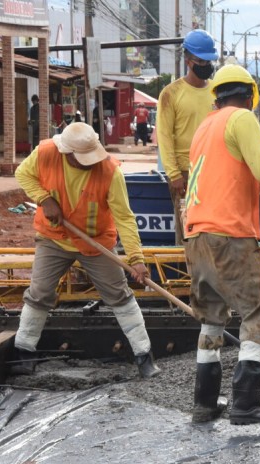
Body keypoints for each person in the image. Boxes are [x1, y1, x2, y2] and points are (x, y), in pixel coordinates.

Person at [183, 65, 260, 424]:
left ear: (215, 95)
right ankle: (246, 403)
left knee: (212, 318)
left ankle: (205, 403)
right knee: (258, 309)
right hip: (229, 234)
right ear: (250, 95)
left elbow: (237, 179)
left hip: (197, 234)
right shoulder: (242, 118)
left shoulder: (206, 126)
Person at [12, 122, 161, 379]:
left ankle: (144, 355)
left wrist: (136, 258)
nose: (89, 163)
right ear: (67, 152)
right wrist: (45, 199)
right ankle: (24, 352)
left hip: (96, 242)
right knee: (39, 292)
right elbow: (23, 174)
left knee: (119, 295)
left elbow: (124, 217)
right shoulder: (46, 153)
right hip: (55, 238)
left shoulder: (110, 172)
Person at [157, 29, 218, 245]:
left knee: (213, 233)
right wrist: (174, 174)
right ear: (188, 60)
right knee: (188, 235)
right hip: (185, 174)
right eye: (201, 61)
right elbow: (164, 137)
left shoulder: (216, 92)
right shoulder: (170, 94)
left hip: (214, 171)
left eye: (209, 61)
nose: (206, 66)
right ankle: (190, 277)